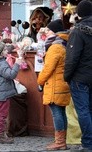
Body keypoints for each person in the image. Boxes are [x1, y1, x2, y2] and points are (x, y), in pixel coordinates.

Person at [37, 19, 71, 151]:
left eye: (49, 30)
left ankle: (60, 142)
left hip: (54, 85)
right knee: (61, 113)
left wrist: (39, 81)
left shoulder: (55, 47)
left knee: (57, 113)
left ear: (55, 32)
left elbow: (48, 68)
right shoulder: (64, 43)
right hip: (62, 85)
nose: (47, 33)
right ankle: (62, 141)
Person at [64, 0, 92, 151]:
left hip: (80, 77)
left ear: (79, 13)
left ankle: (88, 143)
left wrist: (67, 76)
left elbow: (72, 58)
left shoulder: (78, 31)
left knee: (83, 111)